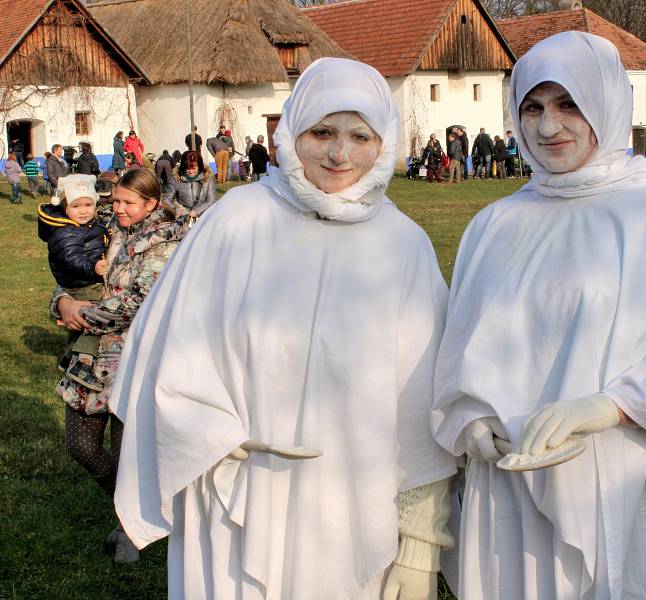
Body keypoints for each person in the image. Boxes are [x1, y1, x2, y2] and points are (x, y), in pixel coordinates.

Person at [111, 57, 456, 600]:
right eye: (322, 132)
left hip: (351, 499)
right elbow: (167, 354)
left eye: (359, 136)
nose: (340, 154)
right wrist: (214, 435)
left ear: (384, 141)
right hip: (234, 492)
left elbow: (422, 402)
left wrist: (418, 542)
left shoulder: (402, 245)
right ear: (290, 132)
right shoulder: (234, 222)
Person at [432, 31, 646, 600]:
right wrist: (471, 420)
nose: (548, 126)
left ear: (605, 104)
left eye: (568, 104)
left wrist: (610, 407)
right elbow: (461, 347)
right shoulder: (493, 226)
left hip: (628, 479)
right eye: (533, 107)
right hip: (511, 490)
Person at [51, 168, 186, 565]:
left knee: (126, 453)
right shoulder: (110, 229)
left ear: (152, 204)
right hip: (90, 360)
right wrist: (63, 302)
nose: (119, 209)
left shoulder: (166, 242)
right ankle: (136, 512)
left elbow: (136, 303)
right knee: (80, 447)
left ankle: (130, 529)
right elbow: (73, 278)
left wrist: (81, 313)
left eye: (129, 203)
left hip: (136, 362)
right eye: (116, 201)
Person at [39, 174, 108, 392]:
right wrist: (93, 266)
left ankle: (68, 358)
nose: (84, 210)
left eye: (88, 204)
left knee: (78, 326)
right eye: (76, 206)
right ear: (65, 207)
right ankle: (83, 365)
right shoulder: (65, 232)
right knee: (94, 324)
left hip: (83, 282)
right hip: (83, 284)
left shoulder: (86, 226)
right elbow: (70, 259)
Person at [162, 150, 216, 218]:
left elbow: (211, 200)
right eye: (187, 169)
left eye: (193, 168)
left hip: (203, 216)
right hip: (182, 217)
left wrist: (197, 211)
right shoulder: (175, 179)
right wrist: (178, 211)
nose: (191, 172)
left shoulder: (208, 178)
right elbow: (166, 199)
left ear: (199, 166)